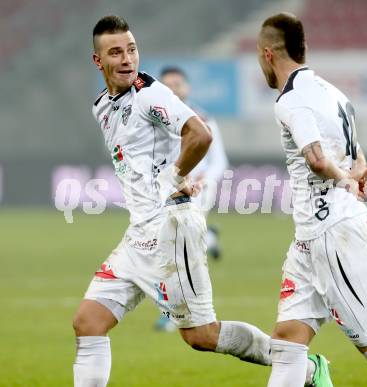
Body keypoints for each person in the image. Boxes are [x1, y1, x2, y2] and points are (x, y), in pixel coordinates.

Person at [72, 15, 332, 387]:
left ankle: (306, 369)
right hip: (139, 234)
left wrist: (173, 177)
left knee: (202, 335)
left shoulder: (150, 93)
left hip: (172, 230)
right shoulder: (102, 106)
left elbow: (200, 135)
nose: (127, 58)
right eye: (116, 52)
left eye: (131, 49)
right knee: (88, 322)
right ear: (98, 61)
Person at [257, 12, 367, 387]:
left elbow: (317, 159)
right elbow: (358, 157)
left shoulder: (290, 101)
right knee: (289, 339)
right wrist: (352, 176)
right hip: (312, 236)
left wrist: (343, 180)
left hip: (331, 230)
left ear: (267, 54)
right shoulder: (332, 91)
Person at [154, 66, 228, 332]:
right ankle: (210, 238)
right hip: (165, 190)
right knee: (166, 248)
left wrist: (203, 181)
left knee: (178, 249)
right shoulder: (155, 120)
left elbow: (219, 160)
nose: (173, 88)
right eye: (167, 84)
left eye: (178, 83)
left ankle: (174, 312)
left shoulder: (204, 118)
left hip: (196, 190)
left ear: (187, 87)